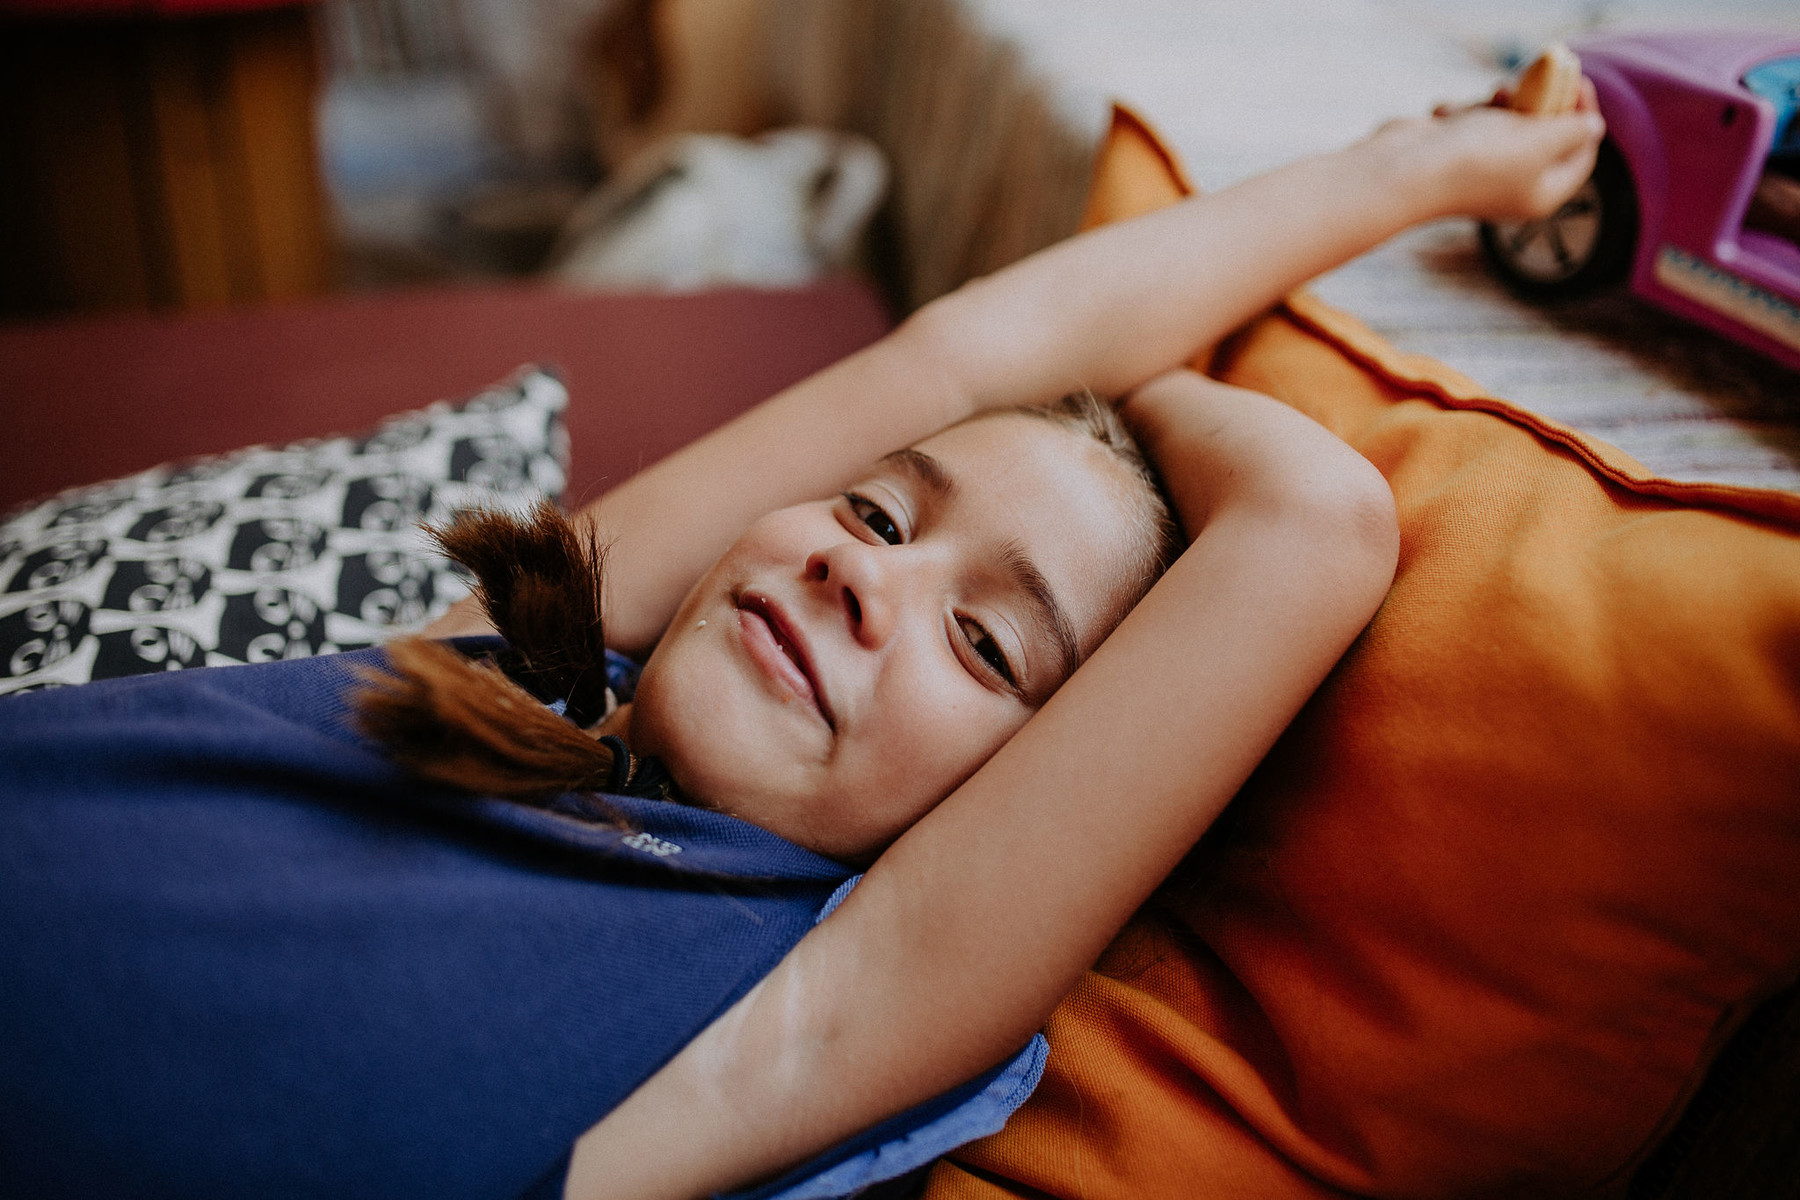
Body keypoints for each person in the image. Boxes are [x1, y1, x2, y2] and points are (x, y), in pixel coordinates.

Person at [0, 83, 1604, 1200]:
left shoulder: (798, 1006)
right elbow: (968, 351)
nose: (863, 581)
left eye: (986, 649)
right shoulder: (495, 651)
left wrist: (1161, 386)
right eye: (877, 518)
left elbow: (1314, 522)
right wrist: (1419, 174)